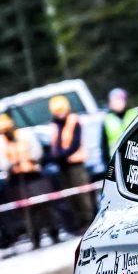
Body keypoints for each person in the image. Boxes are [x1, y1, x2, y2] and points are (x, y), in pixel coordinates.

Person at [0, 112, 58, 249]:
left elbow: (37, 151)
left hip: (34, 175)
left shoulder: (25, 135)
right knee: (27, 211)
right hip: (16, 180)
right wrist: (10, 165)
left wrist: (29, 160)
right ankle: (35, 238)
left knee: (45, 206)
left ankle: (54, 232)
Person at [48, 95, 94, 230]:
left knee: (82, 194)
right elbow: (54, 145)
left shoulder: (74, 121)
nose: (60, 113)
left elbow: (75, 143)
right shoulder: (55, 126)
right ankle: (79, 221)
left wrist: (62, 155)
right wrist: (54, 156)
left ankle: (89, 219)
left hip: (76, 165)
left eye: (61, 110)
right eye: (57, 111)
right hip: (62, 166)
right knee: (70, 196)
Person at [101, 88, 132, 161]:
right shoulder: (107, 120)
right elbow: (104, 146)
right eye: (113, 101)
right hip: (117, 159)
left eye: (118, 100)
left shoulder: (134, 113)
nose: (116, 103)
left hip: (135, 157)